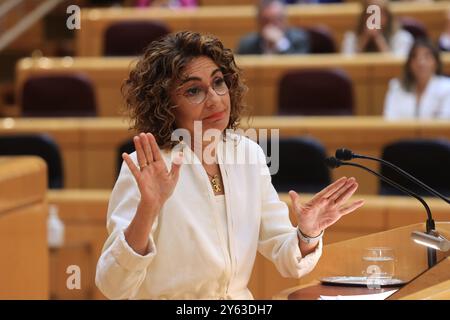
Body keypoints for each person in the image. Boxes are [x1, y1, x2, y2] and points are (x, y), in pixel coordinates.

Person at [95, 31, 364, 299]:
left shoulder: (248, 154)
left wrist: (307, 232)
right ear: (166, 105)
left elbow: (287, 257)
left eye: (218, 82)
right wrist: (148, 208)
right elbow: (112, 285)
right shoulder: (150, 168)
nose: (214, 98)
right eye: (193, 90)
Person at [383, 39, 450, 120]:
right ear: (409, 63)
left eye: (427, 57)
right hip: (402, 132)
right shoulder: (397, 86)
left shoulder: (447, 87)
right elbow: (389, 119)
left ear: (436, 62)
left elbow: (444, 123)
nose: (421, 62)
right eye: (415, 57)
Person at [341, 0, 413, 56]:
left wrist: (378, 38)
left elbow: (398, 66)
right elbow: (347, 64)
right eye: (370, 13)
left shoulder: (402, 37)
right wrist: (364, 40)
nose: (374, 19)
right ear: (363, 17)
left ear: (388, 16)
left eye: (379, 14)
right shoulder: (350, 37)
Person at [237, 0, 310, 55]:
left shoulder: (299, 39)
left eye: (276, 20)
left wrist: (280, 43)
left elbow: (299, 68)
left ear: (284, 20)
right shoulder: (246, 44)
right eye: (266, 21)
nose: (271, 26)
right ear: (258, 22)